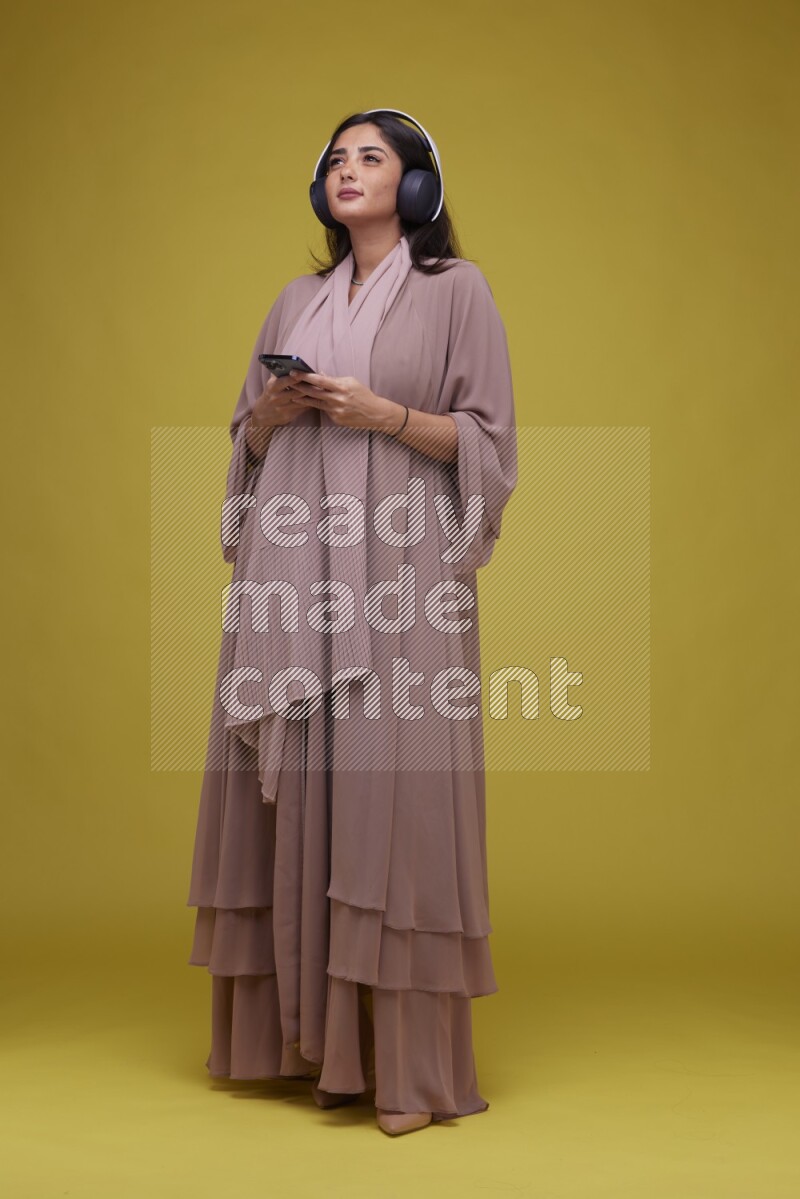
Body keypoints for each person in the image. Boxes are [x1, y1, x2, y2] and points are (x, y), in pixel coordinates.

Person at [186, 108, 518, 1136]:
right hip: (295, 571)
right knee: (306, 786)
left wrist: (383, 416)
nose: (346, 169)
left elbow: (490, 437)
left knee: (394, 791)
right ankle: (305, 1045)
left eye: (370, 156)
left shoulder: (455, 292)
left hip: (399, 572)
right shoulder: (295, 299)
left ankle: (401, 1065)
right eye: (334, 158)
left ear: (416, 184)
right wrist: (270, 416)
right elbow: (244, 440)